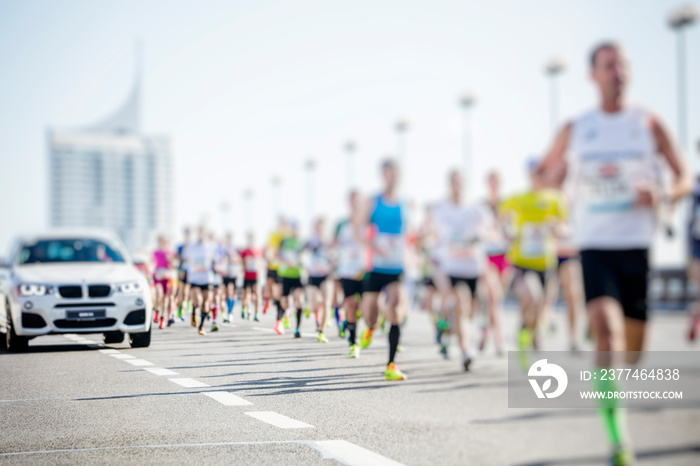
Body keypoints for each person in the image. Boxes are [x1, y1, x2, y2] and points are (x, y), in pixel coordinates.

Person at [539, 41, 691, 465]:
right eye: (609, 66)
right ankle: (619, 440)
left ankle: (606, 351)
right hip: (595, 246)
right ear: (594, 75)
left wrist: (662, 192)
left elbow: (684, 177)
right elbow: (541, 176)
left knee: (634, 352)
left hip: (637, 248)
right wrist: (554, 176)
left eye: (623, 64)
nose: (618, 72)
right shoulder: (577, 127)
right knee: (609, 334)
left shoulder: (649, 123)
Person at [500, 158, 567, 354]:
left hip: (547, 263)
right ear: (530, 176)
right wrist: (507, 231)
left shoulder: (556, 198)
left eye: (544, 174)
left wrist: (558, 227)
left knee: (541, 307)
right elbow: (500, 219)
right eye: (537, 174)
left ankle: (529, 332)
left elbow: (566, 227)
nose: (541, 178)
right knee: (533, 297)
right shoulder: (518, 198)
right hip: (523, 261)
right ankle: (526, 330)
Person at [433, 170, 493, 371]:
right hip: (451, 267)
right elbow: (429, 233)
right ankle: (466, 351)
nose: (457, 186)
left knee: (470, 312)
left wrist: (480, 235)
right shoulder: (441, 208)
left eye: (460, 183)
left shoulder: (476, 208)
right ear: (449, 185)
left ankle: (448, 328)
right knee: (461, 306)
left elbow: (493, 230)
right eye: (454, 182)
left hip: (473, 267)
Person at [360, 159, 409, 381]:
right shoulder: (373, 201)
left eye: (395, 173)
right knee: (371, 313)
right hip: (376, 265)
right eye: (389, 173)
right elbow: (356, 230)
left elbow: (408, 234)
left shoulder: (405, 204)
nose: (392, 177)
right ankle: (371, 328)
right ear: (383, 175)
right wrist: (372, 245)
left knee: (396, 308)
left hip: (397, 266)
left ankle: (391, 364)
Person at [334, 191, 367, 357]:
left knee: (368, 306)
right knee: (351, 304)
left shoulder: (368, 222)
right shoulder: (341, 224)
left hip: (365, 270)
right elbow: (333, 245)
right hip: (346, 270)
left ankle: (361, 324)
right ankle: (353, 343)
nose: (356, 204)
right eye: (353, 201)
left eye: (358, 201)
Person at [304, 218, 333, 343]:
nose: (320, 229)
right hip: (313, 275)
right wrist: (306, 267)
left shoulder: (329, 240)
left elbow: (336, 255)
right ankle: (312, 307)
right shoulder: (310, 240)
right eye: (318, 226)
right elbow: (302, 254)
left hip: (326, 275)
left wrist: (332, 266)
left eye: (323, 226)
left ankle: (322, 332)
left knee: (327, 304)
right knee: (314, 306)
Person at [186, 227, 218, 335]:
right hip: (195, 278)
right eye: (200, 233)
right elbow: (185, 258)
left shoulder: (211, 246)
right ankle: (194, 311)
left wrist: (217, 266)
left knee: (206, 304)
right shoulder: (191, 246)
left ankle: (201, 326)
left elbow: (217, 260)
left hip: (207, 278)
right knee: (198, 301)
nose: (201, 235)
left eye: (203, 233)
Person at [277, 221, 306, 337]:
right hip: (286, 274)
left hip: (298, 275)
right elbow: (278, 254)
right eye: (293, 228)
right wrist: (287, 262)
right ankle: (286, 314)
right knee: (285, 302)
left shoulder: (302, 242)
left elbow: (306, 256)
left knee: (299, 301)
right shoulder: (285, 241)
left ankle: (298, 328)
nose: (295, 231)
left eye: (297, 228)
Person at [153, 235, 177, 329]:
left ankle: (162, 318)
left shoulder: (170, 252)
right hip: (158, 275)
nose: (163, 242)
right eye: (161, 241)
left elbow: (175, 265)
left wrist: (171, 260)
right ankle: (156, 311)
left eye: (164, 241)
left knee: (165, 298)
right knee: (158, 294)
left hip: (167, 276)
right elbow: (152, 263)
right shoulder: (155, 252)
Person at [240, 232, 263, 322]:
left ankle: (256, 313)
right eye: (250, 239)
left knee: (257, 294)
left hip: (256, 276)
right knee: (246, 294)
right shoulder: (245, 251)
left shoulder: (259, 250)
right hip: (247, 276)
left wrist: (260, 267)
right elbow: (242, 262)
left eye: (253, 239)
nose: (251, 241)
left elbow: (261, 262)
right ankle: (246, 309)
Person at [222, 232, 241, 323]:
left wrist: (232, 256)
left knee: (232, 292)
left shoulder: (236, 248)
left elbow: (239, 260)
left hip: (234, 273)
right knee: (226, 293)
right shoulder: (223, 248)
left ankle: (230, 312)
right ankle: (229, 310)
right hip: (225, 273)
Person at [175, 227, 193, 323]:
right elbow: (178, 258)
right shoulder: (180, 246)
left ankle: (187, 306)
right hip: (182, 271)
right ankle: (180, 309)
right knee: (181, 293)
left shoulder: (193, 246)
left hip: (191, 272)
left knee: (187, 293)